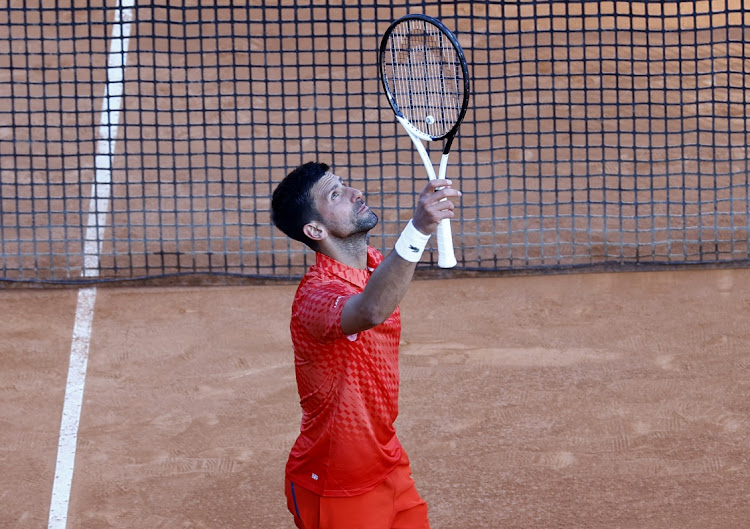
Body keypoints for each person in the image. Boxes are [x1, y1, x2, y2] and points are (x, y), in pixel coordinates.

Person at [270, 161, 461, 529]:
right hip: (334, 484)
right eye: (336, 194)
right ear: (315, 229)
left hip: (388, 463)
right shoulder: (315, 296)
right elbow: (371, 309)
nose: (356, 193)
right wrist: (418, 229)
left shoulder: (374, 265)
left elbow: (384, 282)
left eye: (345, 185)